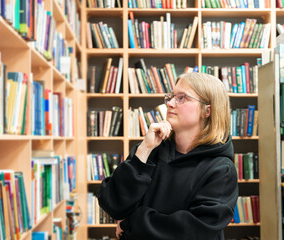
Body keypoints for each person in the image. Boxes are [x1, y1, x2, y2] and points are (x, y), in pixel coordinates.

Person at [96, 72, 238, 240]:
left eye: (182, 98)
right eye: (170, 97)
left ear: (208, 110)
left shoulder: (221, 169)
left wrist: (132, 223)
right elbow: (113, 204)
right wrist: (144, 149)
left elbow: (195, 231)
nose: (170, 103)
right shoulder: (150, 149)